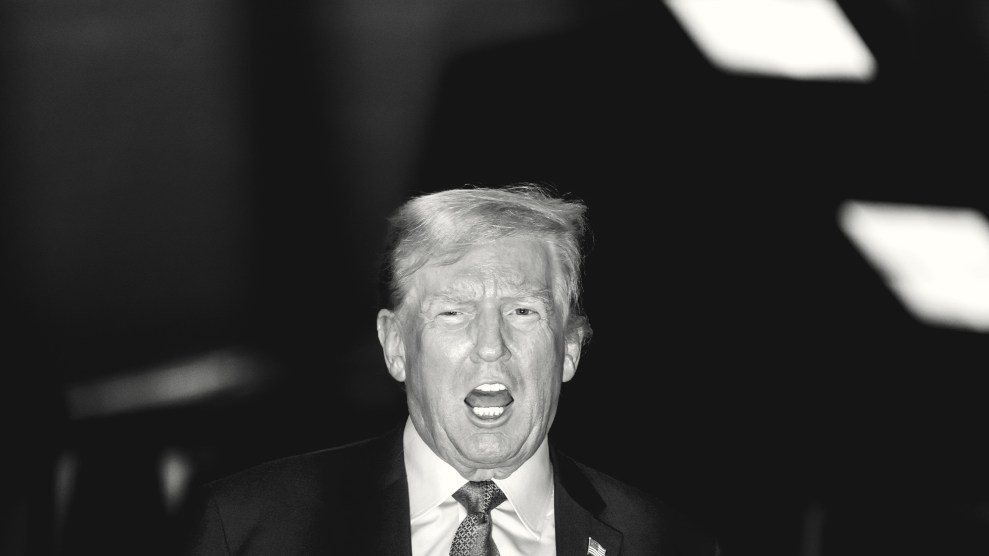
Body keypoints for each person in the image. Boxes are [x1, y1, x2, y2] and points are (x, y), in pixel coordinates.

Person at [185, 183, 719, 555]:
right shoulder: (248, 529)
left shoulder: (669, 543)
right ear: (395, 346)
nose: (492, 347)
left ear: (570, 350)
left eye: (523, 312)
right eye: (454, 313)